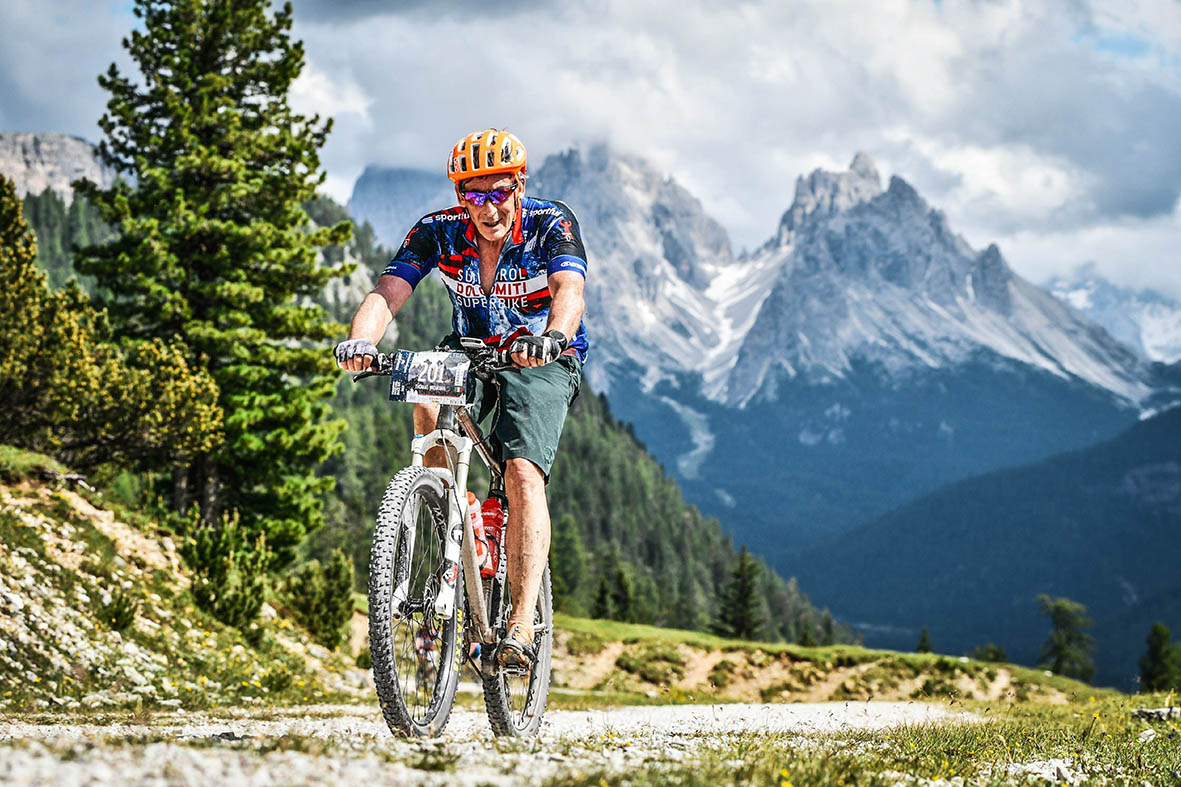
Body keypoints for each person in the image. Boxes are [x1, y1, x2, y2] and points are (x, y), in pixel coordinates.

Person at [334, 129, 588, 668]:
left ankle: (521, 622)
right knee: (425, 400)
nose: (486, 206)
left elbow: (570, 290)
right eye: (473, 195)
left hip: (539, 356)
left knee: (521, 474)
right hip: (469, 351)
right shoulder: (438, 232)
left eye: (498, 192)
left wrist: (554, 337)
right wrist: (362, 341)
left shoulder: (551, 223)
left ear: (518, 185)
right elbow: (387, 293)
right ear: (458, 196)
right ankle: (457, 507)